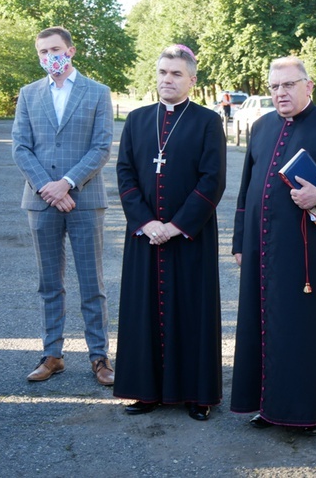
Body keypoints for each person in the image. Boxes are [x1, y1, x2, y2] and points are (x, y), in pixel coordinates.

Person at [230, 56, 316, 434]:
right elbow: (245, 191)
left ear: (308, 86)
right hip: (261, 248)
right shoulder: (261, 126)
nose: (280, 93)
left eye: (288, 85)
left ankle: (311, 412)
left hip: (307, 253)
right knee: (264, 324)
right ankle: (268, 405)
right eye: (274, 87)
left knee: (304, 330)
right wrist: (240, 239)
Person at [113, 45, 227, 422]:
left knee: (193, 312)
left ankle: (198, 394)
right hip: (144, 236)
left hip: (190, 237)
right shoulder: (137, 119)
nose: (167, 79)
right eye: (162, 72)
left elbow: (213, 181)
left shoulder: (208, 121)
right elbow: (125, 174)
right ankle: (146, 391)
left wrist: (176, 226)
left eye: (176, 74)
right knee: (143, 312)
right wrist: (147, 223)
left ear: (192, 79)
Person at [12, 26, 115, 386]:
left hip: (84, 201)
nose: (48, 57)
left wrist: (67, 183)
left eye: (54, 49)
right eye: (42, 52)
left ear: (70, 51)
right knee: (49, 283)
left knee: (92, 283)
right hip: (41, 203)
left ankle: (99, 357)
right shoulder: (28, 94)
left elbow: (102, 147)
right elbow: (21, 147)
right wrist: (48, 188)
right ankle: (52, 354)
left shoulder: (98, 93)